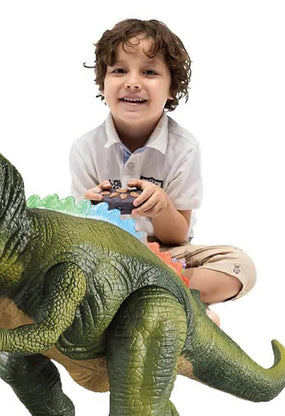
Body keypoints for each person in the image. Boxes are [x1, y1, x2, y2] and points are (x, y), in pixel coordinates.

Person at [70, 18, 256, 324]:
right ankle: (176, 305)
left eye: (149, 72)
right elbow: (81, 234)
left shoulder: (184, 148)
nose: (133, 82)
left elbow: (178, 235)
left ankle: (142, 297)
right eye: (119, 70)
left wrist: (162, 208)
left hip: (167, 255)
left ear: (172, 88)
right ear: (102, 84)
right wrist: (90, 211)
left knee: (240, 268)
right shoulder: (85, 148)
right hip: (109, 255)